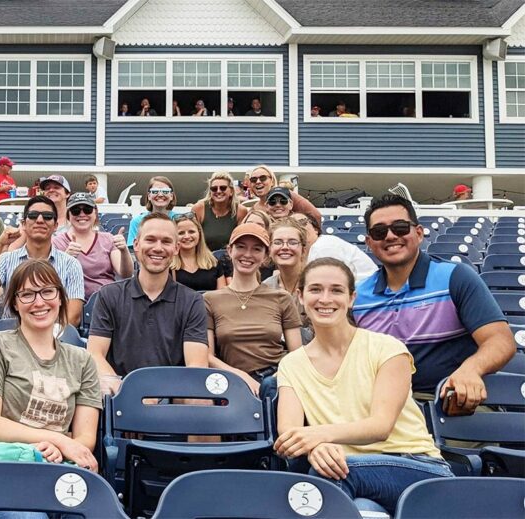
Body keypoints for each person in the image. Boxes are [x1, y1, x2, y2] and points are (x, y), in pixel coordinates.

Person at [275, 258, 454, 515]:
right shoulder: (291, 364)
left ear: (351, 298)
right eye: (315, 289)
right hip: (349, 472)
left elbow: (380, 426)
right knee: (363, 509)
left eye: (336, 290)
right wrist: (317, 448)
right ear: (300, 296)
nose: (325, 298)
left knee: (327, 478)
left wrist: (317, 437)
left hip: (416, 466)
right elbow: (290, 432)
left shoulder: (387, 348)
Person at [353, 195, 514, 407]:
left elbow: (500, 341)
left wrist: (471, 369)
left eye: (400, 228)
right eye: (379, 232)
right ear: (369, 243)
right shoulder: (356, 296)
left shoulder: (455, 277)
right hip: (382, 407)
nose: (390, 236)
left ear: (418, 233)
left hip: (449, 404)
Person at [0, 259, 102, 476]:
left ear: (61, 298)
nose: (39, 302)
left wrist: (59, 448)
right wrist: (57, 440)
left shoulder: (82, 360)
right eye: (27, 294)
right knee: (30, 513)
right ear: (15, 303)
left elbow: (86, 437)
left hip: (55, 465)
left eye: (47, 292)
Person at [88, 212, 209, 395]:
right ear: (136, 244)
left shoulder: (192, 301)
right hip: (120, 394)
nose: (158, 248)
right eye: (150, 240)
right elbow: (95, 354)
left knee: (199, 400)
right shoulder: (109, 295)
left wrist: (160, 396)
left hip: (173, 397)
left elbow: (196, 366)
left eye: (166, 241)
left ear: (176, 248)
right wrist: (126, 392)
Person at [205, 223, 302, 395]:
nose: (248, 255)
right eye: (241, 247)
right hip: (233, 380)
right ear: (229, 251)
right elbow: (207, 356)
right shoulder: (210, 300)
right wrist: (242, 377)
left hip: (277, 378)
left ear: (265, 256)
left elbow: (297, 353)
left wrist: (276, 379)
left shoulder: (281, 298)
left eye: (256, 249)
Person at [0, 196, 85, 326]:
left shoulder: (71, 264)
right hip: (12, 336)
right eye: (33, 215)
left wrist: (43, 338)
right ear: (24, 224)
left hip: (54, 338)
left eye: (47, 216)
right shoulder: (7, 259)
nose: (39, 220)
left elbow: (73, 316)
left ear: (55, 226)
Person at [52, 193, 133, 299]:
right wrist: (66, 258)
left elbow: (125, 273)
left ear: (95, 213)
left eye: (87, 210)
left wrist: (124, 250)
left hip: (106, 300)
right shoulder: (57, 242)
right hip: (72, 301)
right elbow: (51, 280)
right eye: (76, 210)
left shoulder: (108, 239)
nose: (82, 214)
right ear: (69, 215)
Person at [291, 213, 376, 282]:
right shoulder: (307, 252)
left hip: (369, 292)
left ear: (316, 229)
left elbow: (328, 282)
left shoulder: (324, 246)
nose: (299, 228)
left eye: (303, 222)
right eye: (292, 225)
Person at [191, 171, 248, 251]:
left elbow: (241, 241)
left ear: (231, 191)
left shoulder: (241, 211)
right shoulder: (199, 208)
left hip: (229, 258)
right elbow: (192, 238)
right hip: (203, 259)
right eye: (214, 189)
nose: (218, 191)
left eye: (223, 188)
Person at [248, 165, 322, 226]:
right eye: (253, 180)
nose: (258, 182)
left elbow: (316, 215)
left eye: (263, 178)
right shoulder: (253, 210)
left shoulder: (287, 194)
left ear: (272, 181)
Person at [172, 213, 227, 292]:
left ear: (199, 234)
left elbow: (221, 297)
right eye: (181, 233)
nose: (187, 236)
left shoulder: (213, 263)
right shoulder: (167, 266)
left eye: (191, 232)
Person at [126, 176, 179, 247]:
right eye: (155, 191)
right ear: (149, 196)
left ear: (171, 196)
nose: (160, 195)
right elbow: (133, 249)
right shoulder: (137, 221)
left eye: (165, 191)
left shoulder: (179, 219)